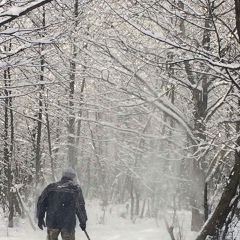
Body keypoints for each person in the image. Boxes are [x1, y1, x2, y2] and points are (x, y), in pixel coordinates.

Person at [36, 168, 88, 240]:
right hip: (68, 223)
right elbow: (80, 206)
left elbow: (41, 202)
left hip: (52, 221)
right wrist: (83, 221)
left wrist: (40, 217)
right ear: (72, 177)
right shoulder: (75, 188)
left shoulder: (51, 187)